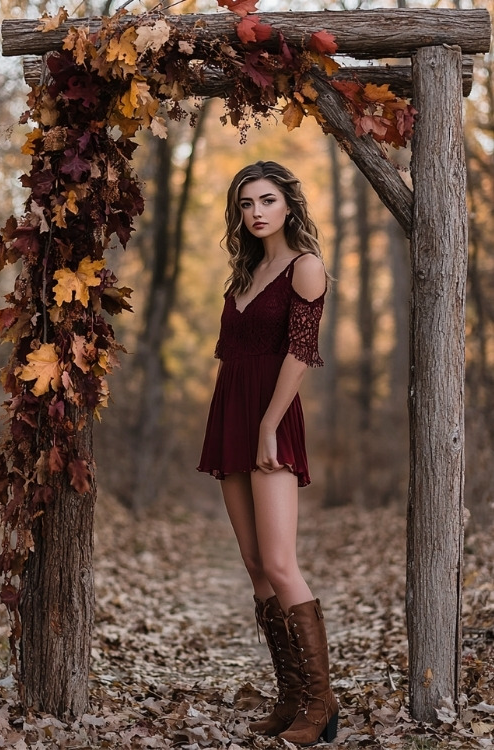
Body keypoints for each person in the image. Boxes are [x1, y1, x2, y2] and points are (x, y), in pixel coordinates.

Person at [197, 161, 338, 745]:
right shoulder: (246, 273)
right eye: (247, 203)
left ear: (288, 205)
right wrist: (242, 422)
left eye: (267, 200)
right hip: (231, 410)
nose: (256, 212)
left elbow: (301, 354)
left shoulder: (306, 268)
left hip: (271, 417)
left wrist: (268, 426)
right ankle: (291, 699)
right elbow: (233, 355)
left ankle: (321, 703)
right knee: (255, 566)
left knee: (281, 563)